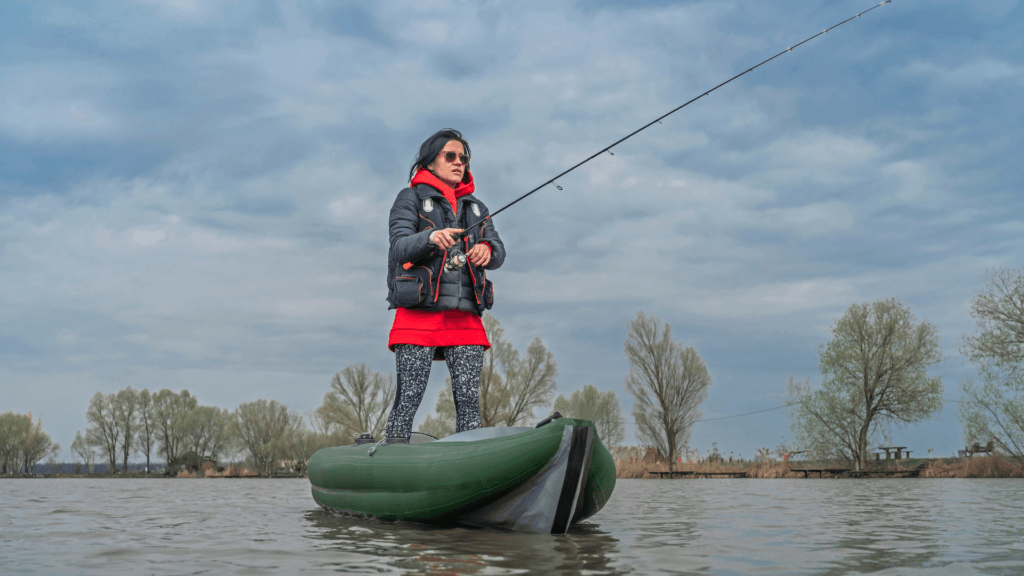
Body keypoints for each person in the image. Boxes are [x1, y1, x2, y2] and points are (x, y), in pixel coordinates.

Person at [383, 128, 505, 442]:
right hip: (418, 315)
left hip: (465, 317)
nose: (458, 162)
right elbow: (399, 246)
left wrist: (486, 251)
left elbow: (498, 251)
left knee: (468, 402)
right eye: (449, 156)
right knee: (408, 396)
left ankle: (471, 461)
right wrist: (430, 237)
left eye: (463, 158)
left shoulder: (476, 208)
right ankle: (394, 452)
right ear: (431, 161)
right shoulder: (409, 198)